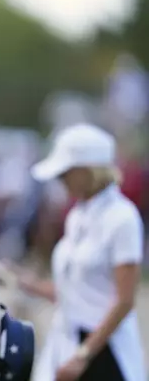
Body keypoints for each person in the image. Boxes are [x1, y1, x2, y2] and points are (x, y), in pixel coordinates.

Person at [17, 123, 145, 381]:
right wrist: (28, 284)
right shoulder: (77, 216)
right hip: (67, 341)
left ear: (88, 172)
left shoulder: (123, 218)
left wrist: (84, 354)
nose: (60, 180)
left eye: (66, 173)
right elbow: (75, 288)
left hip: (104, 349)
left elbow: (124, 300)